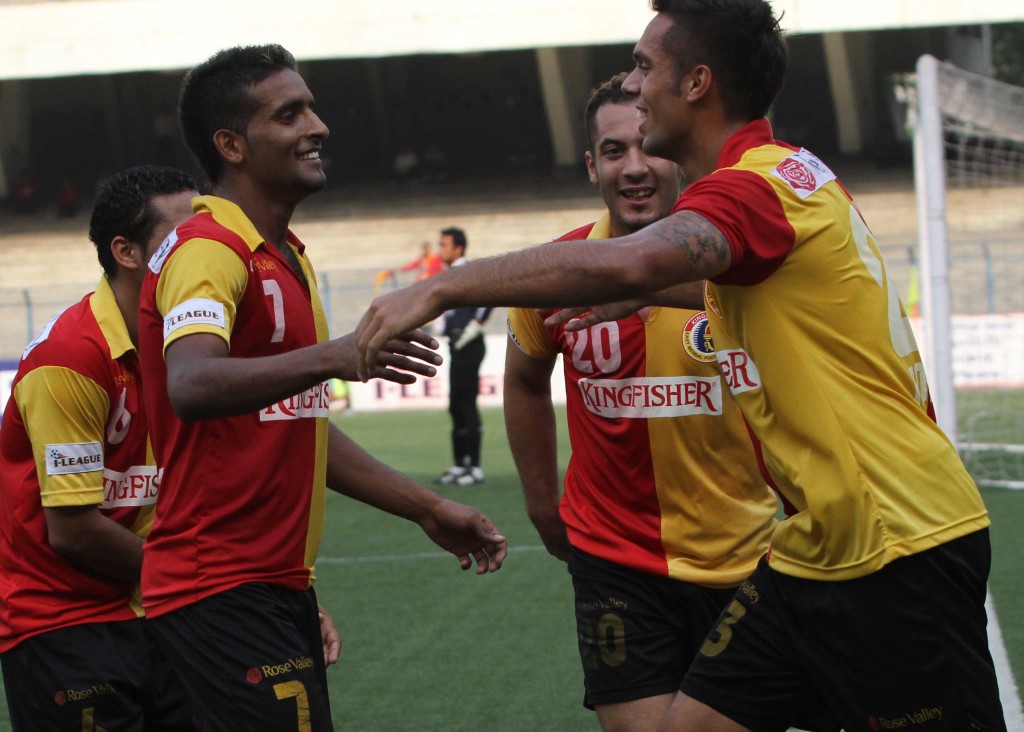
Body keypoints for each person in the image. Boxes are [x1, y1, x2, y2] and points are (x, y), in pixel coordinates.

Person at [354, 2, 1004, 729]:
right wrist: (634, 292)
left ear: (696, 84)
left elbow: (638, 255)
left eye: (643, 67)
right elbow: (719, 282)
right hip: (813, 548)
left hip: (895, 547)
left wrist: (442, 283)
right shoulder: (786, 177)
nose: (633, 87)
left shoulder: (754, 188)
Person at [137, 45, 506, 732]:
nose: (319, 126)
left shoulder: (288, 258)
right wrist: (334, 356)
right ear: (232, 145)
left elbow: (296, 422)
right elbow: (191, 382)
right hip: (217, 587)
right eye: (289, 113)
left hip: (272, 586)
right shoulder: (209, 249)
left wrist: (423, 507)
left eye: (311, 106)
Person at [504, 72, 778, 732]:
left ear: (677, 152)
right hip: (615, 559)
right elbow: (521, 378)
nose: (635, 168)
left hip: (745, 553)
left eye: (648, 147)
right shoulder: (558, 268)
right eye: (614, 151)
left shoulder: (740, 262)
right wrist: (544, 503)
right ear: (591, 165)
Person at [0, 165, 198, 731]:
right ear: (126, 252)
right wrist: (204, 583)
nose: (205, 251)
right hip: (61, 620)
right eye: (183, 238)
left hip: (155, 605)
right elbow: (73, 529)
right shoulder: (71, 357)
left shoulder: (190, 345)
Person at [433, 226, 492, 486]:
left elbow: (489, 299)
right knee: (456, 405)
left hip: (469, 346)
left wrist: (471, 329)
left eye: (444, 245)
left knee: (466, 404)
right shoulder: (450, 274)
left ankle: (474, 467)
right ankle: (459, 465)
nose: (440, 250)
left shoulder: (469, 271)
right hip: (456, 346)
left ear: (458, 248)